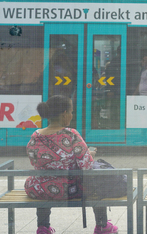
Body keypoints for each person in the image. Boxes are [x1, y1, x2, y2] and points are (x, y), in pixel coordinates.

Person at [25, 95, 118, 234]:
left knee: (45, 178)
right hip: (67, 189)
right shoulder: (71, 134)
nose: (71, 116)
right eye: (71, 112)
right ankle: (102, 226)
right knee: (95, 180)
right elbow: (86, 166)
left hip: (39, 188)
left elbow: (35, 162)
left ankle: (43, 227)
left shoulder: (35, 136)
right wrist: (90, 155)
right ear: (64, 114)